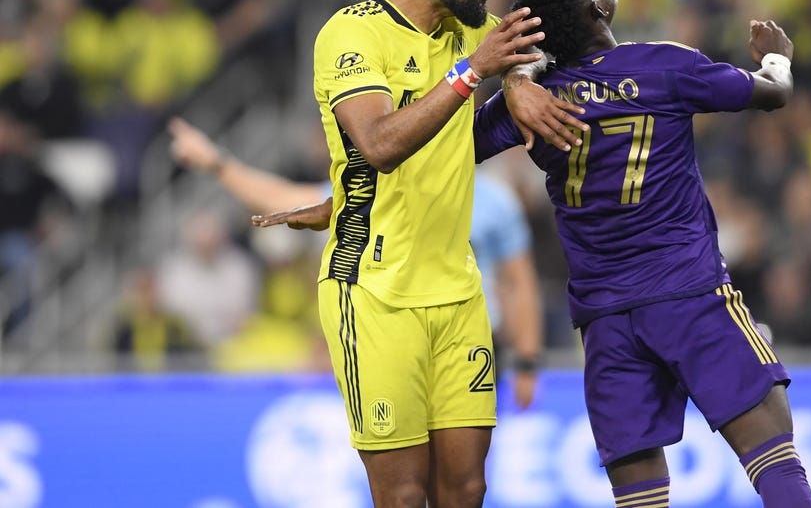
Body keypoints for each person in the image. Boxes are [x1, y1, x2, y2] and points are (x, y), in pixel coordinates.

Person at [257, 0, 811, 506]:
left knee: (641, 499)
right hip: (690, 293)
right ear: (600, 5)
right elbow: (772, 95)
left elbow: (436, 156)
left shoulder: (525, 103)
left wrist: (343, 203)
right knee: (773, 457)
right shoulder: (666, 66)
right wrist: (777, 59)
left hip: (605, 322)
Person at [306, 0, 581, 507]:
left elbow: (522, 49)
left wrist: (515, 80)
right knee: (403, 496)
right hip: (374, 291)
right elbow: (376, 144)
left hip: (458, 293)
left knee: (465, 487)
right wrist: (477, 72)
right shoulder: (351, 34)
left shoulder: (468, 29)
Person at [167, 115, 543, 405]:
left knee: (465, 477)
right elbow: (282, 199)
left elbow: (518, 281)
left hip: (473, 346)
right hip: (395, 340)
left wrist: (526, 361)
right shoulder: (379, 187)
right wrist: (215, 162)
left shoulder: (493, 200)